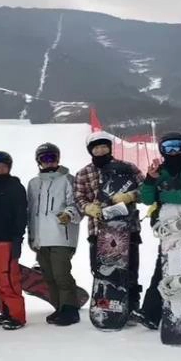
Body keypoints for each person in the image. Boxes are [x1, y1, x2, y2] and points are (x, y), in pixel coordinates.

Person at [134, 132, 181, 330]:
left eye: (177, 147)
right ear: (162, 150)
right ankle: (151, 313)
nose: (173, 152)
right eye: (168, 148)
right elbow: (147, 199)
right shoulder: (159, 172)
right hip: (171, 230)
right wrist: (151, 181)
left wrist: (164, 194)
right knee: (163, 270)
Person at [74, 131, 145, 313]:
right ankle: (105, 304)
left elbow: (145, 188)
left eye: (103, 146)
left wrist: (131, 195)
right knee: (102, 270)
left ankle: (131, 306)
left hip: (126, 227)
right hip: (99, 229)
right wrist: (88, 207)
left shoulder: (127, 168)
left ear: (110, 148)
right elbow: (78, 198)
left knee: (128, 269)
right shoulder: (84, 173)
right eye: (96, 148)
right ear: (91, 151)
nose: (100, 150)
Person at [26, 142, 82, 326]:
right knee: (48, 276)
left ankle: (70, 310)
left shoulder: (68, 179)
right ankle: (59, 308)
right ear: (39, 162)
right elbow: (32, 211)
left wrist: (69, 215)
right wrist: (32, 236)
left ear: (58, 159)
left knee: (61, 274)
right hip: (41, 238)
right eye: (45, 159)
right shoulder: (34, 183)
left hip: (61, 236)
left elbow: (76, 204)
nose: (49, 162)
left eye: (52, 158)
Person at [0, 151, 28, 330]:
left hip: (8, 241)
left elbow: (20, 215)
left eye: (3, 166)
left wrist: (18, 238)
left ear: (9, 167)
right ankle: (6, 311)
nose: (0, 169)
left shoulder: (15, 187)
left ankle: (17, 315)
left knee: (8, 278)